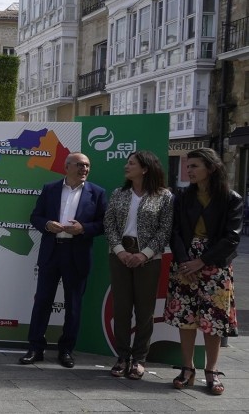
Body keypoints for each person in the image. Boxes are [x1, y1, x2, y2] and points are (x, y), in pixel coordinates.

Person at [164, 148, 241, 395]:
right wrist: (186, 260)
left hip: (215, 264)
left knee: (213, 321)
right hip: (184, 263)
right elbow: (174, 232)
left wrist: (202, 261)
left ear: (211, 167)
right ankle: (187, 368)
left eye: (194, 166)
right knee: (185, 318)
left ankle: (212, 371)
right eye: (188, 166)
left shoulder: (231, 198)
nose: (189, 171)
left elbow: (232, 238)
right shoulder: (182, 197)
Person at [19, 152, 106, 368]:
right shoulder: (50, 189)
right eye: (79, 165)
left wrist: (83, 228)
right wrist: (47, 225)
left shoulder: (97, 193)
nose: (84, 169)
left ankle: (66, 350)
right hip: (52, 252)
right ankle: (35, 348)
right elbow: (35, 216)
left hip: (77, 255)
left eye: (87, 166)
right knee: (42, 302)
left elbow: (104, 224)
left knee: (73, 305)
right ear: (67, 167)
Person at [103, 151, 172, 380]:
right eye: (127, 162)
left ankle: (139, 359)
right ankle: (122, 357)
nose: (126, 166)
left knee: (145, 311)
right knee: (121, 309)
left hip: (148, 260)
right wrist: (120, 251)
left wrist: (144, 254)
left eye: (131, 163)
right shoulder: (119, 193)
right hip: (119, 257)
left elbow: (165, 230)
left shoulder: (164, 196)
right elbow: (109, 223)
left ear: (145, 169)